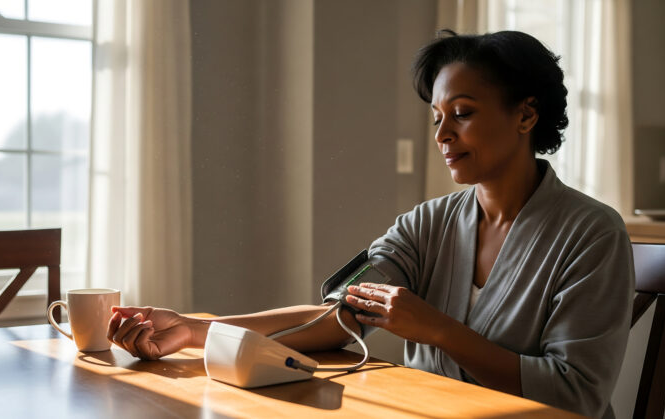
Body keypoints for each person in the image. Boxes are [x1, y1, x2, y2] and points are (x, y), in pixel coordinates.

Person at [108, 30, 633, 418]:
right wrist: (197, 331)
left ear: (525, 115)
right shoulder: (429, 223)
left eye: (463, 113)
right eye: (436, 118)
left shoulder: (592, 234)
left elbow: (575, 393)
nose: (442, 134)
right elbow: (342, 315)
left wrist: (438, 330)